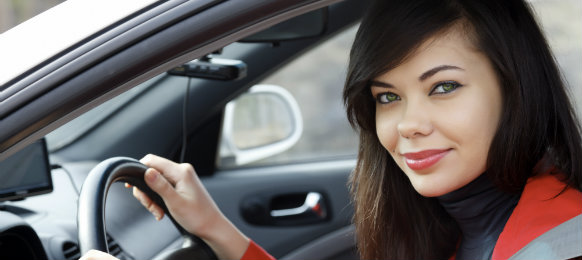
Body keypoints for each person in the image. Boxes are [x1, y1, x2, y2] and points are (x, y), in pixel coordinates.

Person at [81, 0, 582, 259]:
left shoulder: (563, 239)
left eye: (444, 87)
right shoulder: (462, 228)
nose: (407, 125)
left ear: (514, 89)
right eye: (387, 97)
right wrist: (212, 227)